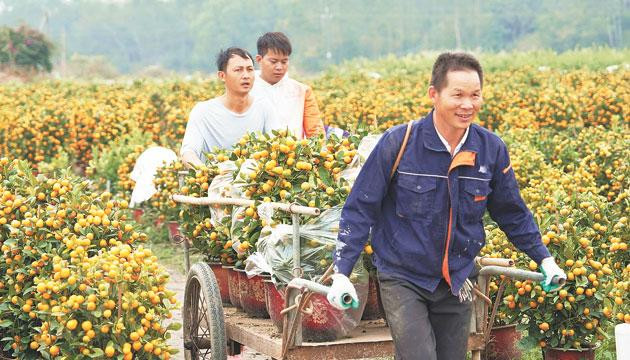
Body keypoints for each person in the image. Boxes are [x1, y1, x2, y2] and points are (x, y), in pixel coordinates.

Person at [327, 52, 566, 360]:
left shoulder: (490, 150)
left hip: (456, 278)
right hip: (403, 276)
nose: (468, 105)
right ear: (434, 95)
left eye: (475, 95)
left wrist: (544, 259)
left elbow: (512, 213)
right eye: (458, 95)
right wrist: (342, 271)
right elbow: (360, 208)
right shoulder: (399, 143)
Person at [180, 47, 281, 167]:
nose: (246, 75)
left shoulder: (264, 107)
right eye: (238, 70)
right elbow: (188, 152)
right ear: (222, 76)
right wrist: (206, 172)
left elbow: (277, 145)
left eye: (250, 70)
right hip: (214, 183)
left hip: (254, 183)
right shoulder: (203, 111)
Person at [251, 32, 324, 139]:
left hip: (294, 154)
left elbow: (315, 132)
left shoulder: (302, 91)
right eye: (273, 61)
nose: (279, 67)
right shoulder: (246, 89)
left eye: (284, 61)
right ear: (259, 60)